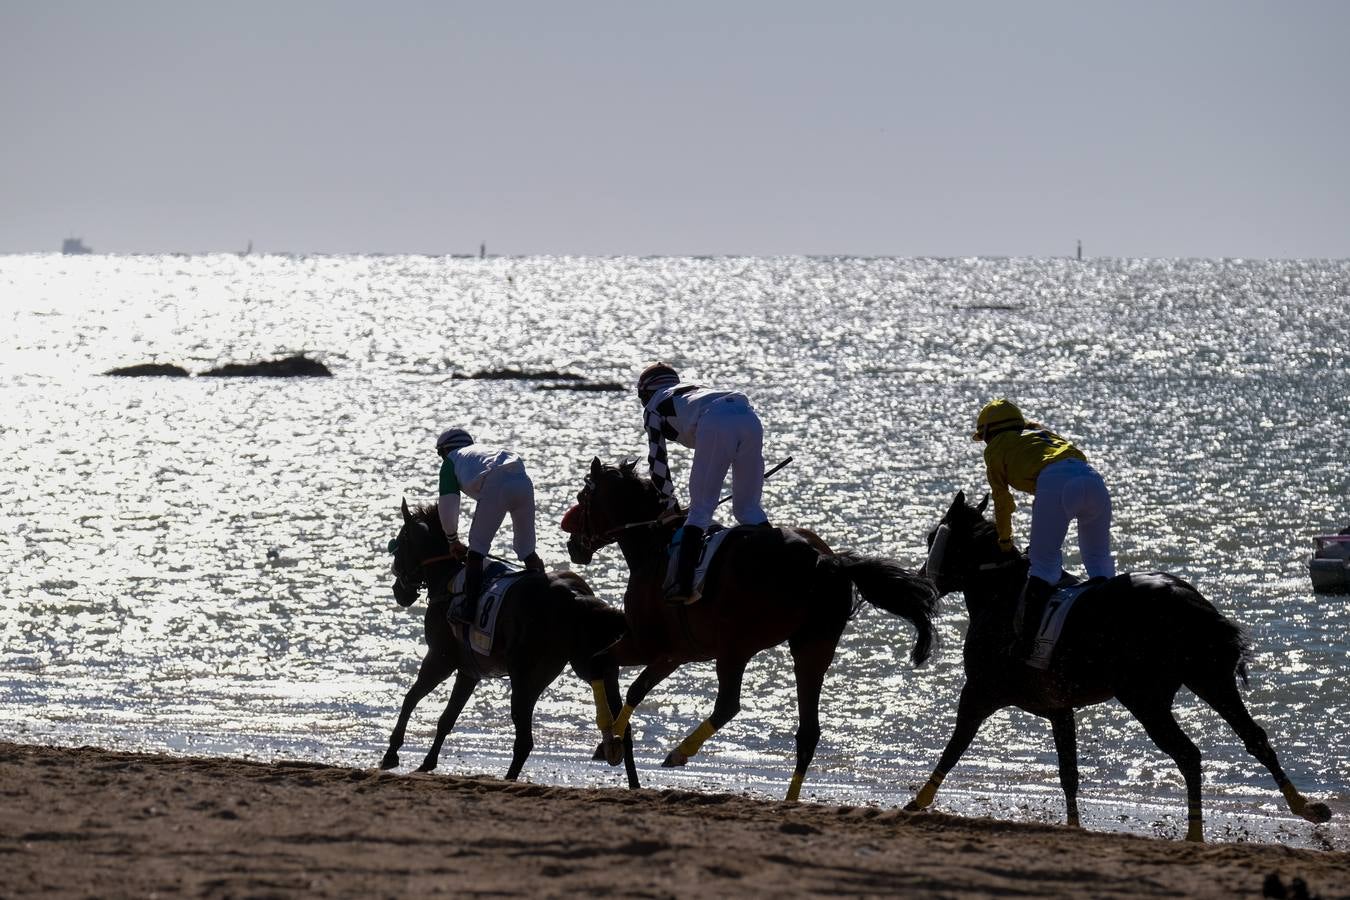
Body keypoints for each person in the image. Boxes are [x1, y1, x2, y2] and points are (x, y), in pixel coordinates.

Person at [972, 399, 1114, 660]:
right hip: (1093, 479)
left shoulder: (994, 450)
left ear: (988, 432)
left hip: (1056, 482)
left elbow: (1003, 503)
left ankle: (1028, 647)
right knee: (1099, 561)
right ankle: (1114, 624)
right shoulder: (1044, 435)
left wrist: (1005, 542)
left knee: (1043, 566)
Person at [637, 362, 769, 605]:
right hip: (749, 416)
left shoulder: (654, 406)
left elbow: (657, 460)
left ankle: (682, 585)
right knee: (748, 509)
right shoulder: (693, 390)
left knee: (700, 511)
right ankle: (775, 557)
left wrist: (669, 503)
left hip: (716, 420)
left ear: (645, 394)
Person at [434, 428, 545, 625]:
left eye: (439, 454)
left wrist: (452, 540)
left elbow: (448, 504)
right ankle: (545, 591)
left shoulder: (451, 459)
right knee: (526, 550)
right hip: (522, 479)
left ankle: (469, 611)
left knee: (476, 550)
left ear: (445, 450)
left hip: (496, 482)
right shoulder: (480, 452)